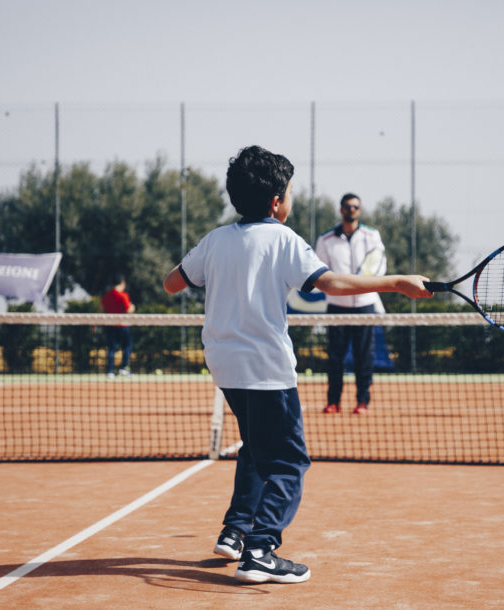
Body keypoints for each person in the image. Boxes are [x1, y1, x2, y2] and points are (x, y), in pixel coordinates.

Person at [163, 145, 431, 585]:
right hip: (267, 369)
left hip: (225, 368)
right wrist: (398, 283)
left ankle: (236, 531)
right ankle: (261, 549)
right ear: (276, 202)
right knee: (289, 462)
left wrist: (212, 263)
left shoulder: (215, 240)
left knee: (255, 446)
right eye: (289, 192)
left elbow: (172, 282)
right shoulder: (284, 239)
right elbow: (334, 284)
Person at [314, 193, 386, 415]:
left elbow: (379, 266)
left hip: (365, 306)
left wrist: (363, 283)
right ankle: (333, 401)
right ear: (341, 209)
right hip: (336, 307)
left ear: (360, 211)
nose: (351, 210)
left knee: (364, 356)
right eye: (347, 206)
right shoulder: (325, 240)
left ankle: (362, 401)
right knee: (335, 357)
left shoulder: (372, 236)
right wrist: (340, 286)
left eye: (355, 206)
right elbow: (321, 272)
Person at [101, 272, 135, 378]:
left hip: (110, 325)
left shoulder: (106, 295)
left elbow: (101, 308)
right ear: (122, 283)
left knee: (111, 348)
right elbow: (128, 309)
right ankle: (124, 368)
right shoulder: (123, 295)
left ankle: (110, 371)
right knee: (127, 347)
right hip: (123, 326)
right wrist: (132, 307)